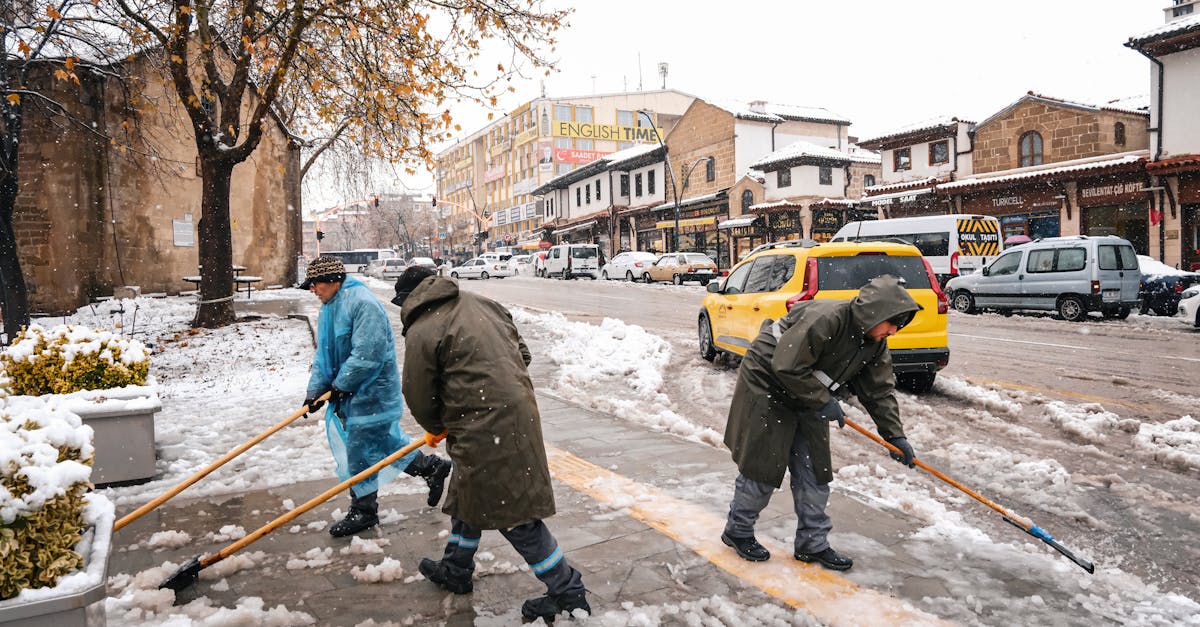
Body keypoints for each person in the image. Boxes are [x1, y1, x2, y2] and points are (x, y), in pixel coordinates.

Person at [391, 266, 590, 623]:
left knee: (512, 513)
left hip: (481, 424)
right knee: (471, 494)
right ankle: (455, 568)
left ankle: (567, 591)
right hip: (516, 415)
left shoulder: (422, 328)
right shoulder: (484, 304)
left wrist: (437, 425)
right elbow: (523, 356)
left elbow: (418, 394)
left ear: (409, 298)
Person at [721, 275, 921, 572]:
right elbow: (786, 366)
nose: (893, 331)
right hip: (768, 384)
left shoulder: (874, 343)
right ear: (874, 313)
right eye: (892, 322)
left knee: (815, 469)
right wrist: (822, 399)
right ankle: (738, 531)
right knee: (763, 465)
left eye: (898, 325)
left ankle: (812, 544)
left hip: (808, 392)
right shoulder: (826, 319)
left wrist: (895, 436)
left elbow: (878, 392)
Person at [300, 256, 452, 537]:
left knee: (359, 451)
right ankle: (432, 468)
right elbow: (323, 356)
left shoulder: (362, 303)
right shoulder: (328, 308)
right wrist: (314, 392)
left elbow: (367, 354)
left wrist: (343, 384)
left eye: (315, 284)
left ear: (333, 281)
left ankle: (364, 511)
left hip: (372, 392)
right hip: (349, 392)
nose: (312, 290)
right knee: (382, 443)